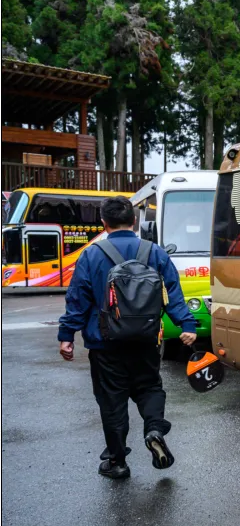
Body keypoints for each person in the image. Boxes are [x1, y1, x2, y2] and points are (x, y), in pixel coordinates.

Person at [57, 196, 197, 480]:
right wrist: (187, 324)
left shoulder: (92, 254)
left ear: (103, 223)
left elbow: (78, 299)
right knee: (149, 387)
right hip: (146, 340)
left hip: (105, 343)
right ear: (134, 221)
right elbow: (172, 292)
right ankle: (154, 428)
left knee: (112, 400)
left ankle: (117, 462)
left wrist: (66, 335)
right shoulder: (155, 252)